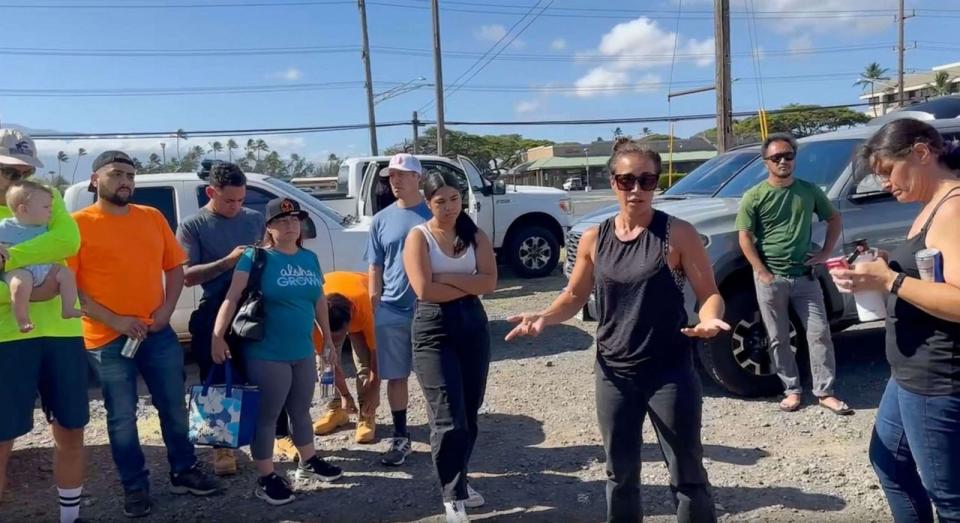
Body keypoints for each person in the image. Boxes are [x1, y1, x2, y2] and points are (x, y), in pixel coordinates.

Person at [506, 139, 729, 523]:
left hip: (669, 372)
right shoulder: (596, 238)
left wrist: (708, 319)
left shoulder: (677, 234)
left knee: (687, 473)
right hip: (613, 372)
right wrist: (545, 316)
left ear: (657, 183)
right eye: (627, 180)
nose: (637, 190)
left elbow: (709, 293)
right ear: (613, 182)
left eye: (647, 180)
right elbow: (575, 295)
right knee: (620, 473)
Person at [70, 151, 221, 518]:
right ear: (95, 180)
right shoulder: (77, 225)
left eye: (130, 176)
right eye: (116, 174)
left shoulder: (152, 218)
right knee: (121, 416)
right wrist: (117, 321)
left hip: (157, 333)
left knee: (172, 406)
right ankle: (134, 488)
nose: (125, 181)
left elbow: (173, 269)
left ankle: (183, 471)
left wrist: (165, 312)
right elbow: (71, 289)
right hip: (106, 338)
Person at [830, 118, 960, 522]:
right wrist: (882, 268)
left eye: (887, 171)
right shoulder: (931, 205)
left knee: (950, 498)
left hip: (938, 377)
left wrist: (890, 279)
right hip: (910, 372)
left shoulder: (954, 209)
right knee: (890, 463)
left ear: (922, 153)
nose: (884, 183)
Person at [212, 197, 342, 506]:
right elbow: (232, 298)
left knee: (301, 409)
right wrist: (217, 336)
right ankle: (266, 476)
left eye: (295, 220)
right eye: (282, 221)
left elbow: (319, 300)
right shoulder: (256, 258)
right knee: (268, 415)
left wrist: (328, 340)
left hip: (301, 349)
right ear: (269, 228)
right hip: (266, 351)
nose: (290, 225)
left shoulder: (309, 258)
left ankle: (308, 461)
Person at [0, 128, 89, 523]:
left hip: (63, 335)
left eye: (24, 170)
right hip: (7, 336)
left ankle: (69, 517)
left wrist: (9, 260)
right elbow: (53, 250)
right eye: (9, 170)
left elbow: (68, 243)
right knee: (3, 436)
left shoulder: (46, 197)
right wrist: (26, 291)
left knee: (71, 430)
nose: (18, 179)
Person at [403, 170, 497, 522]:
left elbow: (490, 282)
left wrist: (448, 279)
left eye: (454, 199)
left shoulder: (475, 235)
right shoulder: (419, 237)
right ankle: (452, 496)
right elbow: (424, 290)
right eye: (440, 201)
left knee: (469, 415)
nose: (449, 207)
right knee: (448, 417)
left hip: (472, 324)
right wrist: (468, 283)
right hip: (433, 327)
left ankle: (460, 479)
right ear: (428, 203)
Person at [736, 133, 851, 415]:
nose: (783, 161)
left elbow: (834, 218)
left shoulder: (809, 191)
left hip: (806, 276)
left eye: (788, 156)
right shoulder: (755, 196)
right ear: (766, 163)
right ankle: (792, 390)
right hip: (771, 278)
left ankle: (825, 391)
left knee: (819, 333)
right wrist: (761, 271)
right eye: (776, 157)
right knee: (778, 337)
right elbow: (745, 237)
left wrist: (824, 254)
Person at [177, 161, 264, 476]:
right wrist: (228, 261)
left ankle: (274, 438)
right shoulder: (193, 225)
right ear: (210, 192)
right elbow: (186, 276)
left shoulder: (255, 219)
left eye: (241, 200)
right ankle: (222, 449)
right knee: (216, 379)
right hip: (215, 308)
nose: (236, 206)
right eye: (229, 200)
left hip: (255, 308)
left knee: (264, 375)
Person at [364, 153, 432, 466]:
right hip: (391, 309)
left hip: (430, 308)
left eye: (402, 175)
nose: (395, 181)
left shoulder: (434, 213)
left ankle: (442, 433)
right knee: (396, 376)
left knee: (435, 374)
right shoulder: (381, 220)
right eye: (391, 176)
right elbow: (374, 264)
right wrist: (374, 300)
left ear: (419, 177)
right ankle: (401, 435)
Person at [0, 180, 82, 332]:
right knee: (20, 284)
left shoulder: (46, 225)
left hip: (43, 268)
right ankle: (23, 320)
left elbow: (68, 242)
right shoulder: (4, 226)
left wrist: (10, 255)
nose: (51, 211)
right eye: (46, 207)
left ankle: (68, 307)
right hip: (19, 270)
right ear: (23, 209)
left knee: (67, 274)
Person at [310, 271, 379, 444]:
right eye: (330, 337)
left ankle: (367, 412)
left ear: (349, 325)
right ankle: (334, 408)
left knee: (364, 363)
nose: (333, 342)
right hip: (333, 295)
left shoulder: (367, 309)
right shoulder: (315, 316)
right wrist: (345, 395)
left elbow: (377, 357)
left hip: (361, 294)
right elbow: (329, 365)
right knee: (324, 367)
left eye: (338, 337)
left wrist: (374, 391)